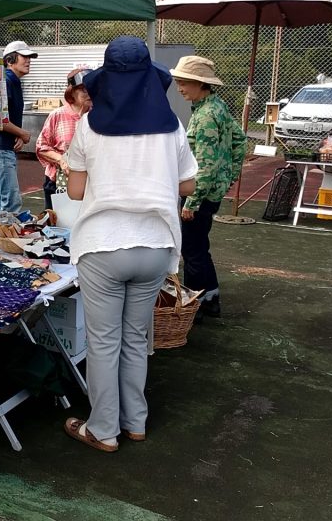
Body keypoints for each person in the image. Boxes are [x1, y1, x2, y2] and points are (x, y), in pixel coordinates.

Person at [62, 36, 198, 453]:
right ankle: (135, 421)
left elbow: (75, 191)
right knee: (137, 338)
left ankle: (103, 430)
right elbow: (188, 185)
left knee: (104, 342)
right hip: (156, 245)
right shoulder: (172, 127)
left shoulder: (89, 126)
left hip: (103, 245)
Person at [170, 56, 246, 320]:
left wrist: (191, 202)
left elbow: (205, 165)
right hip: (211, 191)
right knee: (199, 245)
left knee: (192, 250)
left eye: (184, 83)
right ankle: (210, 296)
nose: (180, 88)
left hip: (200, 194)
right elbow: (240, 140)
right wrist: (230, 175)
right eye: (178, 82)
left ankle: (197, 303)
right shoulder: (217, 106)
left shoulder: (205, 116)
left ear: (200, 83)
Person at [0, 40, 36, 214]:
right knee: (10, 203)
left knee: (3, 202)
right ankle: (1, 230)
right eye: (24, 57)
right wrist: (23, 133)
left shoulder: (12, 81)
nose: (28, 61)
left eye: (30, 57)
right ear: (9, 60)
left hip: (1, 149)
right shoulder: (7, 81)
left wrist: (18, 135)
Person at [36, 68, 92, 209]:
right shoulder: (57, 115)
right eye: (83, 90)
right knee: (59, 219)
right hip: (58, 182)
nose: (89, 93)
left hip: (90, 182)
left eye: (91, 88)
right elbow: (42, 147)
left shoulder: (97, 116)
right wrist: (61, 160)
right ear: (71, 92)